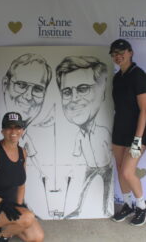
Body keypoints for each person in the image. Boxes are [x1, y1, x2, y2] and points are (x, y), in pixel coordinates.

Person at [0, 112, 44, 242]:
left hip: (11, 205)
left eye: (17, 127)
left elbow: (21, 184)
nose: (13, 131)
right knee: (27, 218)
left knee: (37, 237)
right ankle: (1, 237)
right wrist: (2, 203)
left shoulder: (23, 152)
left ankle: (6, 225)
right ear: (2, 131)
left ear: (23, 130)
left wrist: (19, 205)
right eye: (9, 127)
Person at [55, 56, 113, 219]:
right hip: (90, 167)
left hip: (105, 167)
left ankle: (105, 210)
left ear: (102, 92)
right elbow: (75, 156)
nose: (73, 99)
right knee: (82, 187)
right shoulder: (79, 136)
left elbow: (110, 151)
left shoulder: (103, 131)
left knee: (106, 188)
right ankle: (78, 209)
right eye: (67, 92)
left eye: (83, 89)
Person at [109, 39, 146, 226]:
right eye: (115, 54)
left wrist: (138, 139)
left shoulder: (139, 76)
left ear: (131, 52)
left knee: (127, 172)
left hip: (137, 132)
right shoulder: (117, 77)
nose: (119, 56)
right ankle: (127, 204)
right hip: (120, 129)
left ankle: (142, 206)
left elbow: (144, 110)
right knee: (119, 169)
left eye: (122, 52)